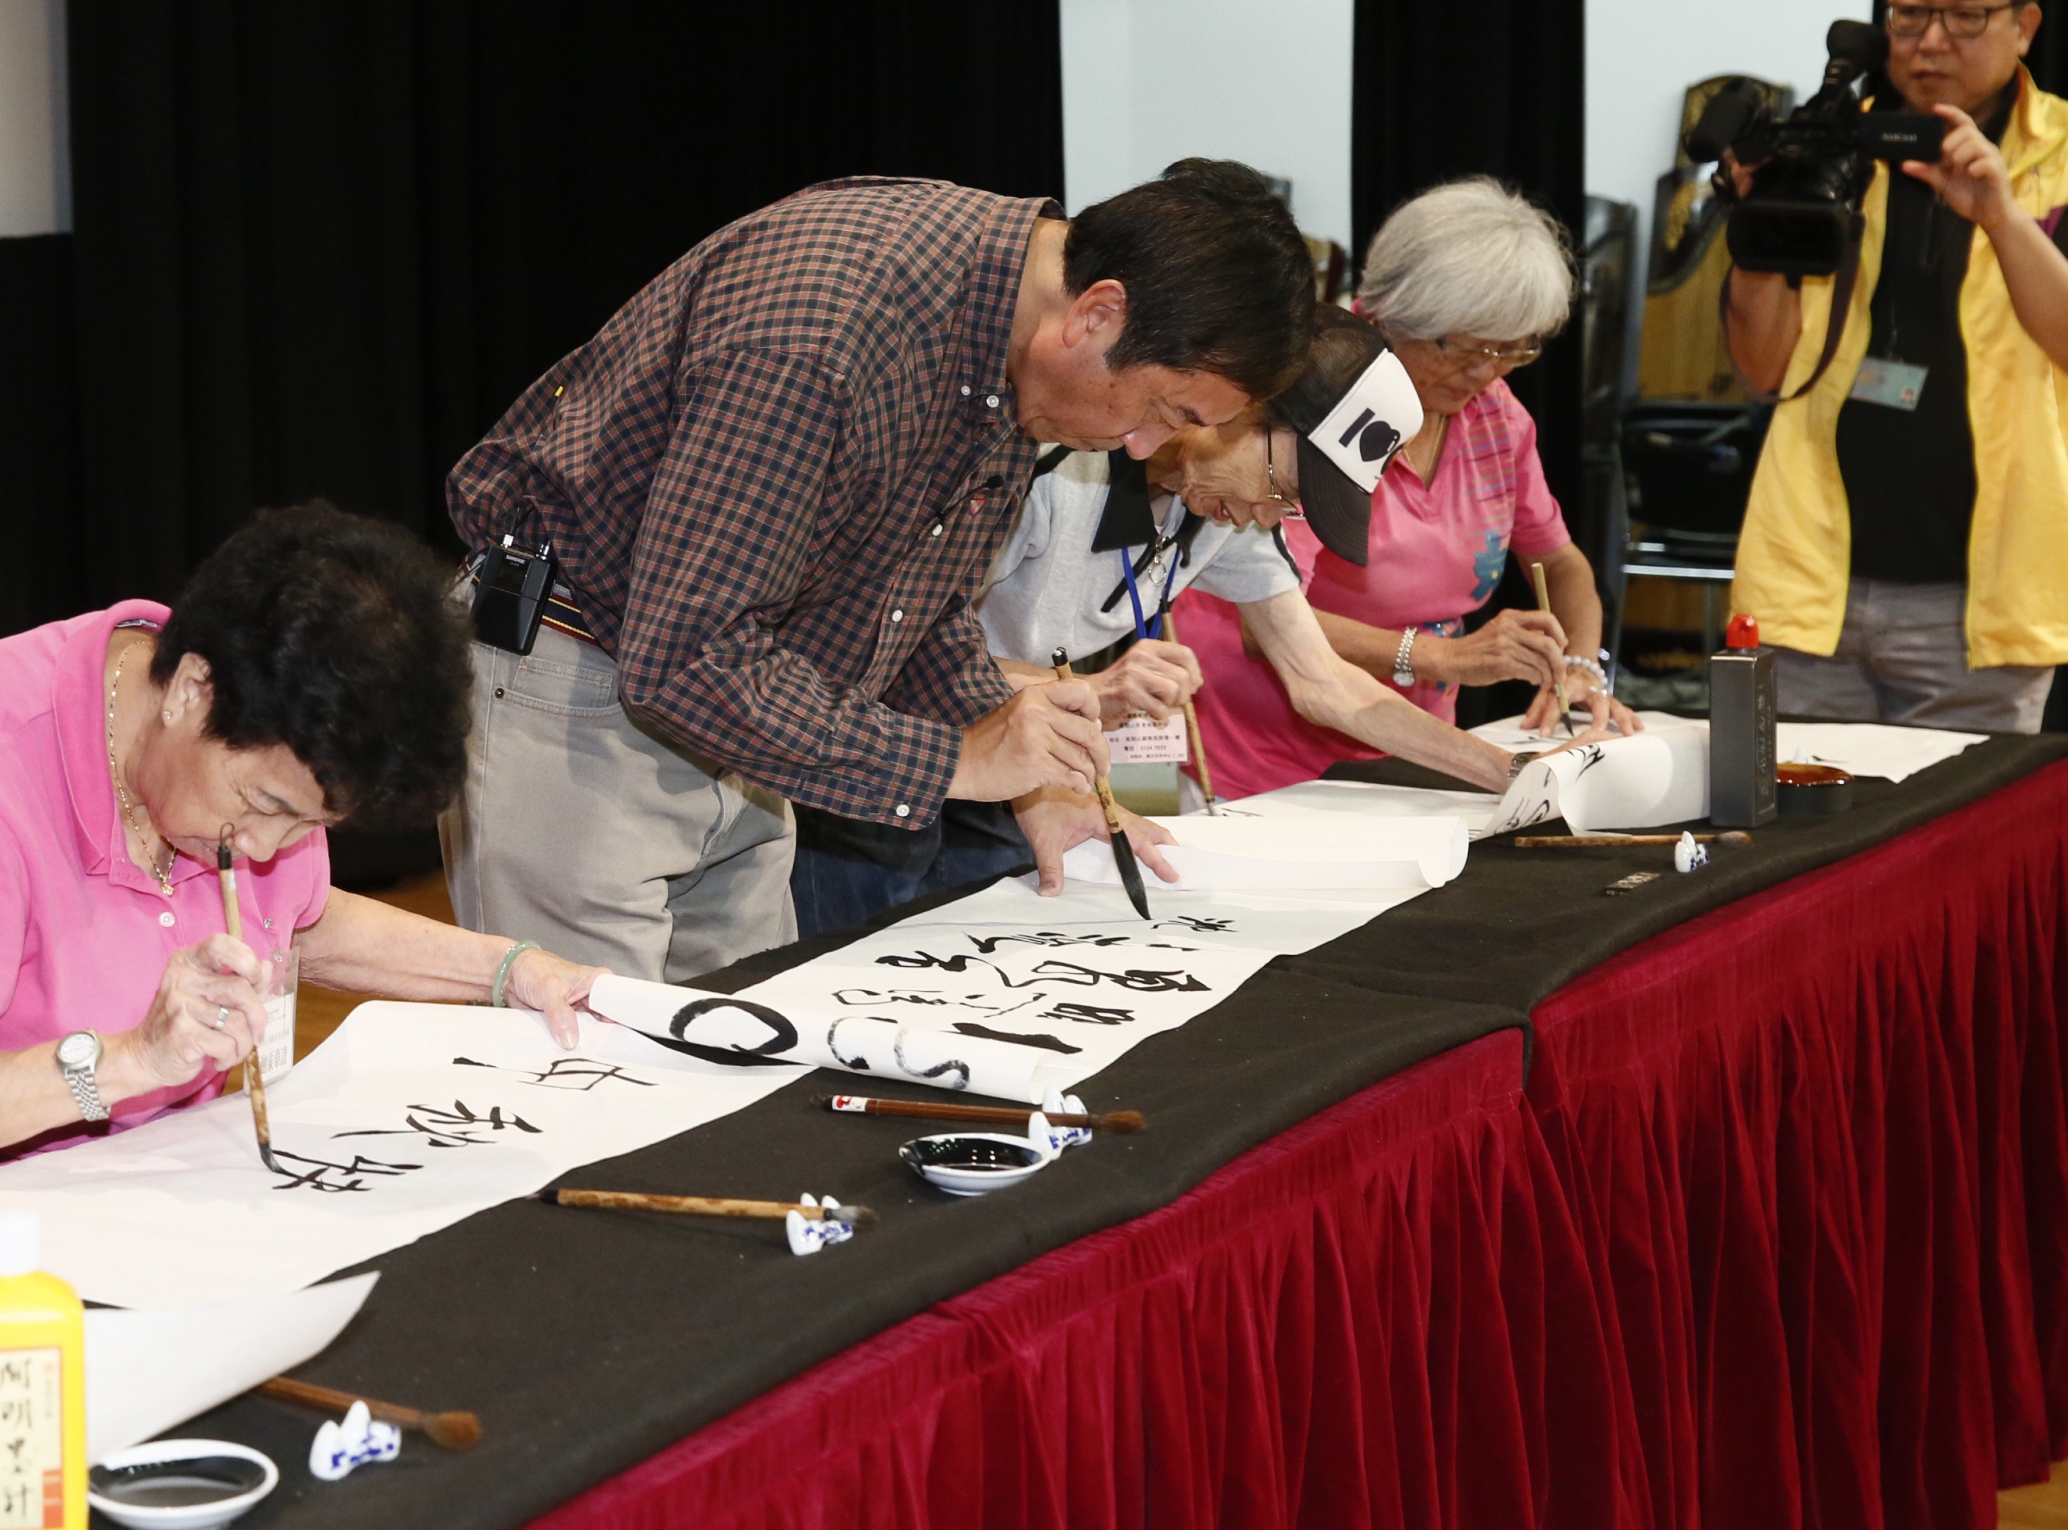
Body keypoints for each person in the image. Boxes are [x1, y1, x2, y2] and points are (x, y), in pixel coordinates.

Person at [441, 166, 1318, 983]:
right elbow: (685, 656)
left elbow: (913, 600)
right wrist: (957, 761)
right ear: (1097, 314)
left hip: (750, 715)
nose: (1144, 447)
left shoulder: (1002, 335)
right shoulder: (824, 335)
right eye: (1167, 412)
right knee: (593, 1069)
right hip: (582, 682)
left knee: (730, 1067)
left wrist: (1028, 769)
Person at [0, 505, 608, 1212]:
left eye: (308, 825)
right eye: (267, 809)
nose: (266, 851)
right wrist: (133, 1059)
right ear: (190, 690)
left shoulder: (255, 758)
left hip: (154, 1194)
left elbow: (302, 922)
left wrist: (512, 970)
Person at [791, 309, 1559, 930]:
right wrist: (1088, 689)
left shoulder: (1224, 510)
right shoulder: (1054, 468)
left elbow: (1325, 682)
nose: (1271, 515)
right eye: (1280, 484)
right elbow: (894, 650)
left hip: (1029, 774)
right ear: (1235, 405)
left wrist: (1513, 777)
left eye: (1294, 507)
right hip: (883, 766)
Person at [1177, 178, 1639, 801]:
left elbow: (1557, 559)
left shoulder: (1495, 417)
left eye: (1510, 350)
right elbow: (1269, 625)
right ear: (1394, 313)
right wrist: (1445, 658)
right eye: (1463, 345)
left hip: (1414, 748)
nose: (1485, 371)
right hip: (1263, 758)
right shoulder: (1320, 394)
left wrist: (1582, 668)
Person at [1724, 0, 2068, 729]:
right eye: (1910, 15)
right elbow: (1763, 369)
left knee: (1959, 854)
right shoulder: (1831, 151)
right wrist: (1762, 222)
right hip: (1808, 586)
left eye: (1964, 16)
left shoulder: (2060, 155)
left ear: (2023, 25)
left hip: (1982, 604)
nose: (1931, 40)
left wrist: (2000, 213)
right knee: (1802, 848)